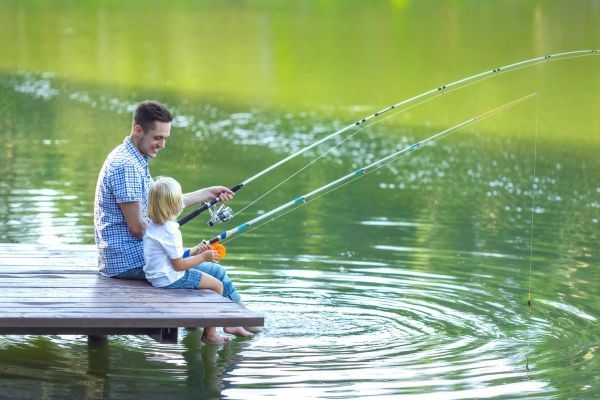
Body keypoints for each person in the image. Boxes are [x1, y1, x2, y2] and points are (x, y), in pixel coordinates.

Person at [94, 100, 234, 280]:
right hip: (128, 260)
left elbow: (164, 205)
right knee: (217, 273)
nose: (162, 144)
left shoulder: (133, 158)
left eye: (165, 138)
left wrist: (207, 194)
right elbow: (137, 228)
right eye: (157, 138)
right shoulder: (126, 165)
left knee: (197, 257)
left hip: (139, 253)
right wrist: (174, 246)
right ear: (138, 130)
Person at [143, 176, 252, 344]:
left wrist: (195, 250)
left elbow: (171, 255)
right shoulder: (171, 231)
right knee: (217, 285)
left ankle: (225, 323)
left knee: (209, 281)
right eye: (179, 199)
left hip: (157, 276)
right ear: (174, 205)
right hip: (170, 279)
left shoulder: (153, 225)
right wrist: (204, 257)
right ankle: (212, 333)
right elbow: (179, 265)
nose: (182, 202)